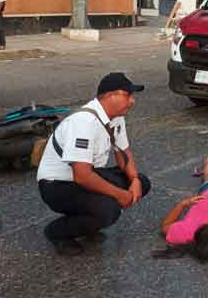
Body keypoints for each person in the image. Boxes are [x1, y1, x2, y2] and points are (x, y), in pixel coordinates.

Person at [37, 72, 151, 256]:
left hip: (88, 176)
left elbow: (124, 153)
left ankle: (87, 220)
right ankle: (58, 232)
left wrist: (135, 179)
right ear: (109, 95)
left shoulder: (116, 117)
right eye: (128, 95)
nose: (132, 101)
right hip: (57, 185)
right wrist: (120, 194)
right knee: (109, 209)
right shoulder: (84, 122)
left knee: (143, 183)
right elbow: (82, 175)